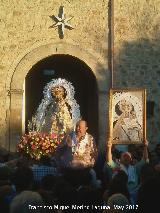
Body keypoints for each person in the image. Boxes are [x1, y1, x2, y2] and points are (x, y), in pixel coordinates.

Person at [104, 140, 149, 204]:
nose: (126, 158)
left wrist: (145, 147)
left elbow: (144, 160)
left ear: (131, 159)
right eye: (124, 156)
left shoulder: (135, 168)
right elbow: (109, 161)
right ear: (120, 160)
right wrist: (109, 147)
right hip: (120, 194)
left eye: (128, 156)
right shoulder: (117, 168)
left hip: (134, 194)